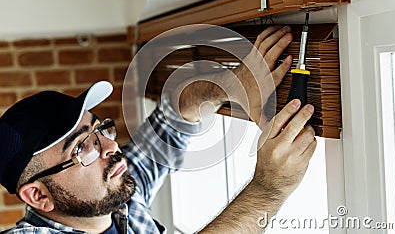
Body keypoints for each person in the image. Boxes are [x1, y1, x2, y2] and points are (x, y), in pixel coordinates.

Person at [0, 26, 316, 233]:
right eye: (82, 148)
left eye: (100, 130)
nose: (110, 148)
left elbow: (178, 108)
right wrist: (269, 188)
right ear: (38, 195)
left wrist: (233, 84)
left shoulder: (119, 199)